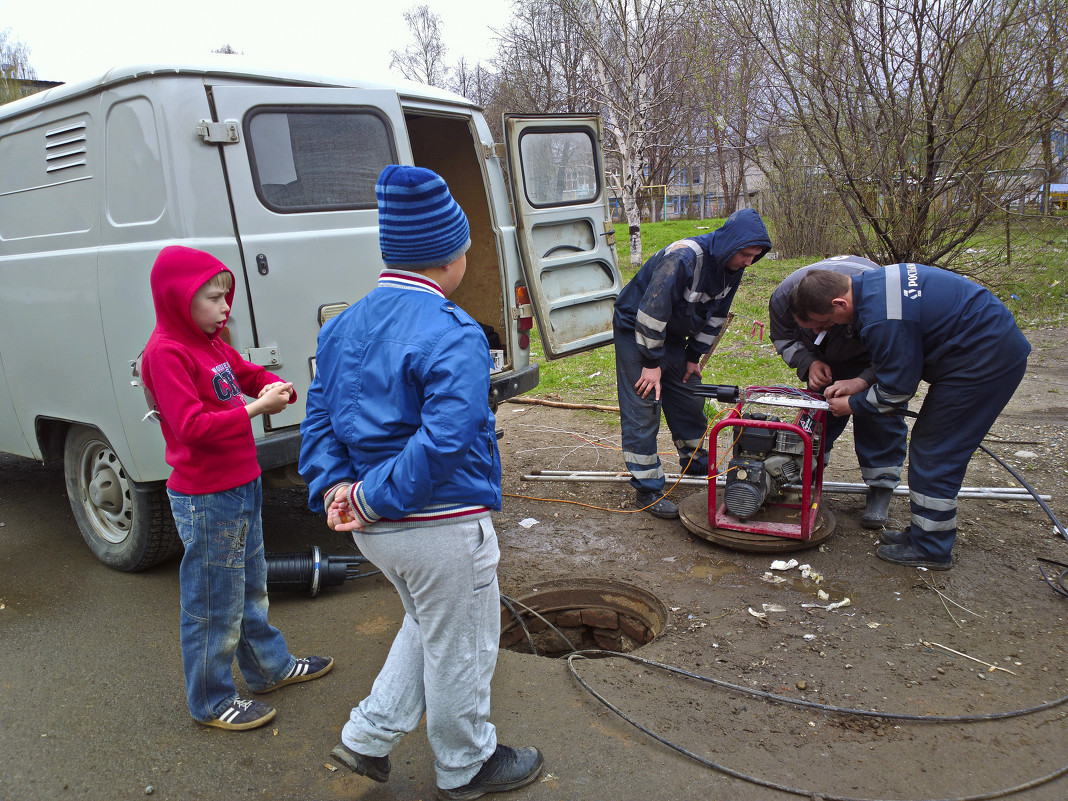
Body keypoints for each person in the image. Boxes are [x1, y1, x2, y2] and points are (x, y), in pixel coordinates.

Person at [298, 165, 543, 800]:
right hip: (437, 523)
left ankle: (368, 738)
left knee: (427, 622)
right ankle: (467, 765)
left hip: (372, 530)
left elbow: (319, 420)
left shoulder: (341, 326)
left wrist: (336, 490)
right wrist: (374, 496)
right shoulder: (453, 331)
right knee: (463, 643)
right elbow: (445, 440)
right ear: (451, 255)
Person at [141, 246, 333, 731]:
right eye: (212, 298)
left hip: (241, 486)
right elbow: (192, 427)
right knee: (212, 603)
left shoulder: (211, 343)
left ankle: (269, 668)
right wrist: (255, 409)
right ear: (179, 299)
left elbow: (248, 374)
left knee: (251, 587)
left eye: (226, 297)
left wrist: (275, 385)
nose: (224, 307)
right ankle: (210, 700)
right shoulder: (166, 352)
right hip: (207, 498)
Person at [788, 263, 1031, 570]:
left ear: (839, 303)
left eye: (825, 323)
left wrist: (854, 404)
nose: (825, 331)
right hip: (980, 348)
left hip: (983, 362)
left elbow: (896, 392)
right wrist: (861, 381)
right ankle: (922, 534)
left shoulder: (880, 318)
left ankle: (931, 548)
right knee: (931, 446)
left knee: (936, 450)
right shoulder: (872, 287)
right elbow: (897, 350)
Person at [613, 208, 772, 519]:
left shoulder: (732, 268)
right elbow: (651, 313)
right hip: (639, 329)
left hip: (670, 331)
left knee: (688, 396)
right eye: (746, 254)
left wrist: (692, 357)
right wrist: (650, 363)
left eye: (755, 257)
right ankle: (647, 488)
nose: (749, 262)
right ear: (730, 243)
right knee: (645, 401)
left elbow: (716, 315)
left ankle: (695, 462)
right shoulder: (683, 257)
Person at [769, 256, 907, 528]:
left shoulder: (873, 299)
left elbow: (895, 356)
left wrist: (864, 380)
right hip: (825, 361)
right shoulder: (782, 299)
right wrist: (808, 363)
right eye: (812, 328)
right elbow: (783, 337)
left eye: (823, 324)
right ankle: (805, 475)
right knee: (817, 420)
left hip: (873, 356)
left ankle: (881, 487)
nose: (819, 331)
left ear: (838, 306)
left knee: (880, 418)